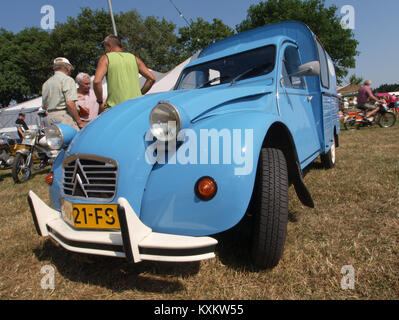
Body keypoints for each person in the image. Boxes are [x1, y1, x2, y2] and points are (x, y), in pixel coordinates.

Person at [93, 35, 156, 113]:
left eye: (104, 47)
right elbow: (151, 79)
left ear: (109, 46)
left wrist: (100, 102)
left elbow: (96, 81)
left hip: (115, 108)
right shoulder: (134, 58)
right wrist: (140, 94)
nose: (105, 50)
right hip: (136, 106)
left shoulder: (106, 58)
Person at [42, 57, 85, 130]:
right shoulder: (68, 80)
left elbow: (44, 106)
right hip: (64, 116)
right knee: (75, 140)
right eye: (70, 69)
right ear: (68, 68)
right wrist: (79, 122)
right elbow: (70, 103)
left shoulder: (46, 84)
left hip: (50, 117)